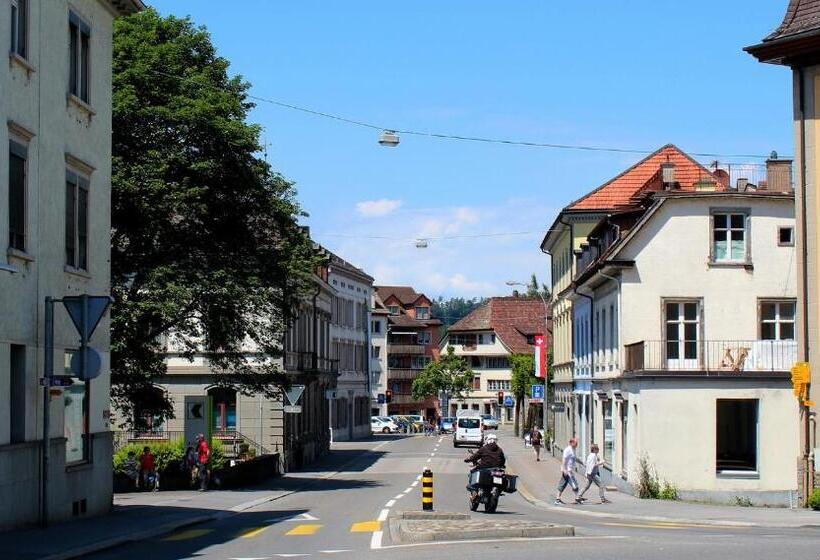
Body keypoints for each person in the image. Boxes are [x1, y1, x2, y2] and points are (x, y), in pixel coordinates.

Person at [555, 438, 580, 504]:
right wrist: (564, 469)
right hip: (567, 471)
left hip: (570, 471)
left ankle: (576, 498)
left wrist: (581, 463)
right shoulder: (568, 450)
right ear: (572, 443)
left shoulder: (573, 449)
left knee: (564, 484)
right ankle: (558, 499)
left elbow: (574, 459)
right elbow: (564, 459)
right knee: (572, 484)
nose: (577, 444)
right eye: (576, 443)